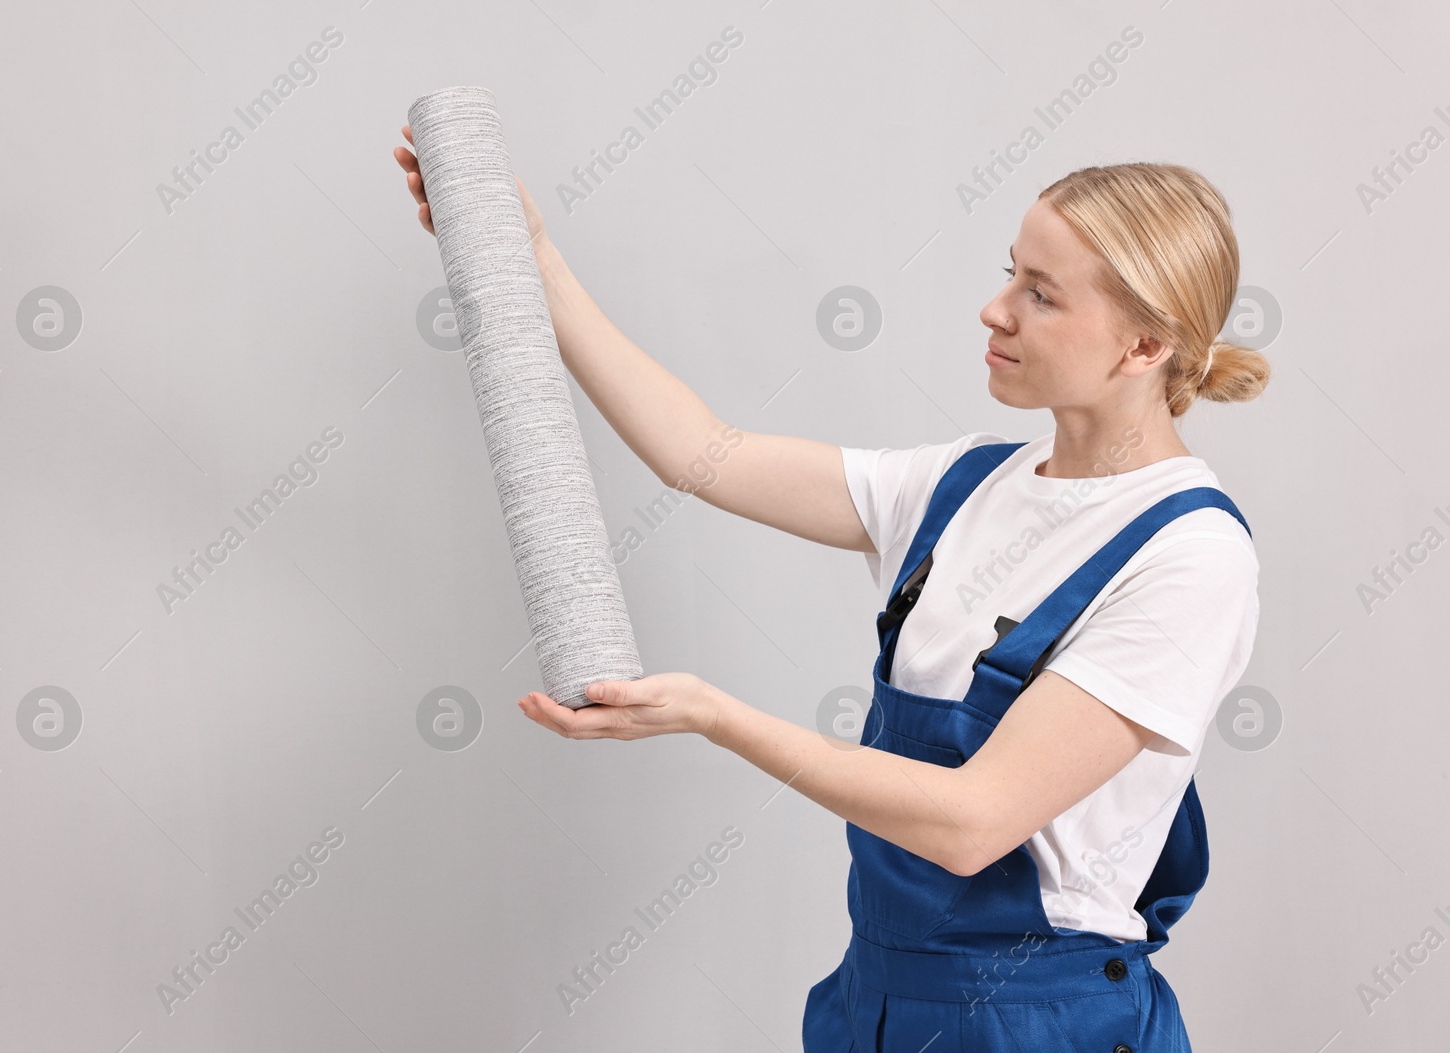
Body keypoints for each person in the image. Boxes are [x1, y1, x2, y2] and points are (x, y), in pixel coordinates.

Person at [396, 133, 1269, 1051]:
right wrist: (535, 256)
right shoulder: (962, 484)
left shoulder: (1189, 555)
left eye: (1040, 294)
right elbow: (701, 452)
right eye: (1011, 273)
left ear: (1145, 344)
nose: (994, 309)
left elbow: (974, 823)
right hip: (876, 999)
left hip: (1037, 1021)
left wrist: (713, 715)